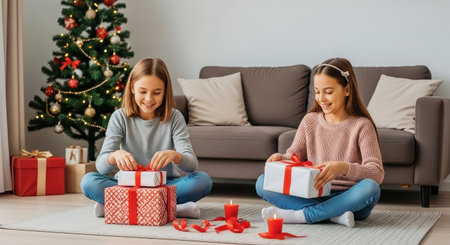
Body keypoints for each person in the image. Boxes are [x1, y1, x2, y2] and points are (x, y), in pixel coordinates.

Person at [255, 58, 384, 227]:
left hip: (349, 198)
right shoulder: (310, 120)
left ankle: (305, 215)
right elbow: (293, 155)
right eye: (317, 92)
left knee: (370, 188)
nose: (321, 98)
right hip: (312, 194)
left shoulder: (362, 125)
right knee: (262, 182)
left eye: (328, 92)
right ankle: (333, 216)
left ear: (347, 90)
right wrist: (281, 159)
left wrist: (342, 167)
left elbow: (376, 173)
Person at [81, 58, 212, 218]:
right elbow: (101, 167)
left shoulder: (174, 117)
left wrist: (176, 156)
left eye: (157, 92)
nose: (149, 99)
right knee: (88, 182)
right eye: (143, 91)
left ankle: (118, 207)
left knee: (203, 181)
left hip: (165, 184)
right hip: (127, 184)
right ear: (132, 87)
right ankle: (172, 209)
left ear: (165, 91)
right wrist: (114, 156)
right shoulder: (119, 117)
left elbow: (191, 165)